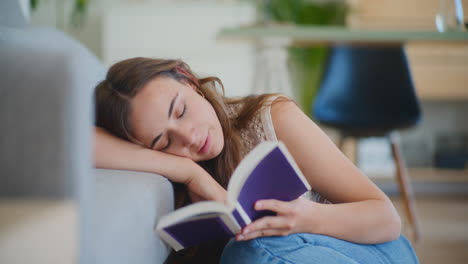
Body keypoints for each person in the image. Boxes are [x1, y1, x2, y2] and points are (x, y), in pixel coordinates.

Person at [94, 57, 419, 264]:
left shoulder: (273, 119)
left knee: (249, 253)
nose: (189, 138)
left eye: (180, 111)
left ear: (188, 79)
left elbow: (386, 219)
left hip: (371, 249)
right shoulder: (179, 170)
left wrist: (305, 218)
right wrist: (189, 172)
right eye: (164, 141)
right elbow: (77, 140)